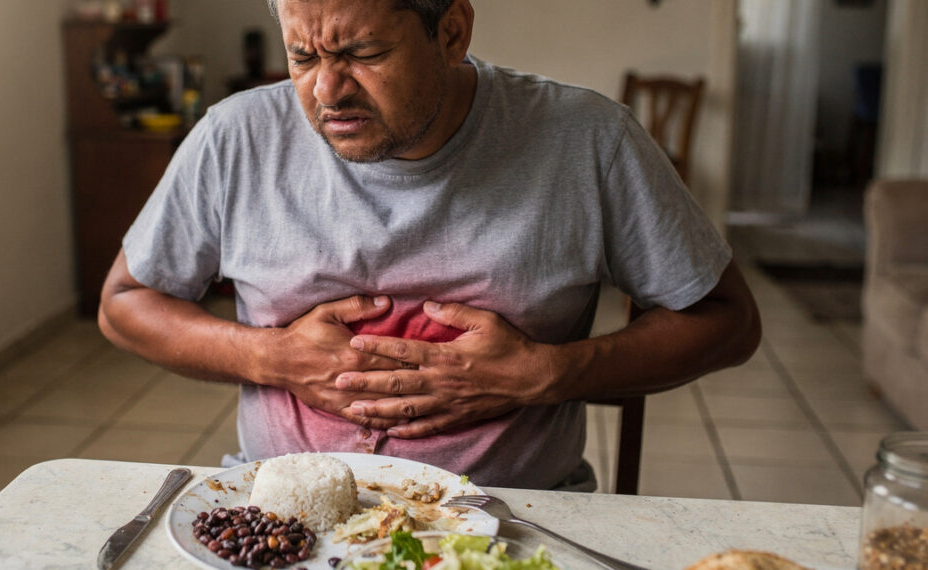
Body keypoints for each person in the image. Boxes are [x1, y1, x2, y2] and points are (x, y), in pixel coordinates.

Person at [98, 0, 761, 490]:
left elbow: (729, 323)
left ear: (452, 32)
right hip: (282, 521)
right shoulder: (235, 138)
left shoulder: (588, 140)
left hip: (519, 521)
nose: (326, 92)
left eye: (362, 54)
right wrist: (274, 358)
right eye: (302, 56)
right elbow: (124, 302)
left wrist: (547, 373)